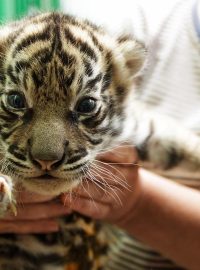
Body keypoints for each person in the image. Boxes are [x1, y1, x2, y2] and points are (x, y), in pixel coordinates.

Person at [1, 0, 200, 269]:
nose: (47, 153)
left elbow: (157, 137)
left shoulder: (117, 71)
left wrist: (136, 202)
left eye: (86, 106)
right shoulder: (137, 22)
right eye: (15, 102)